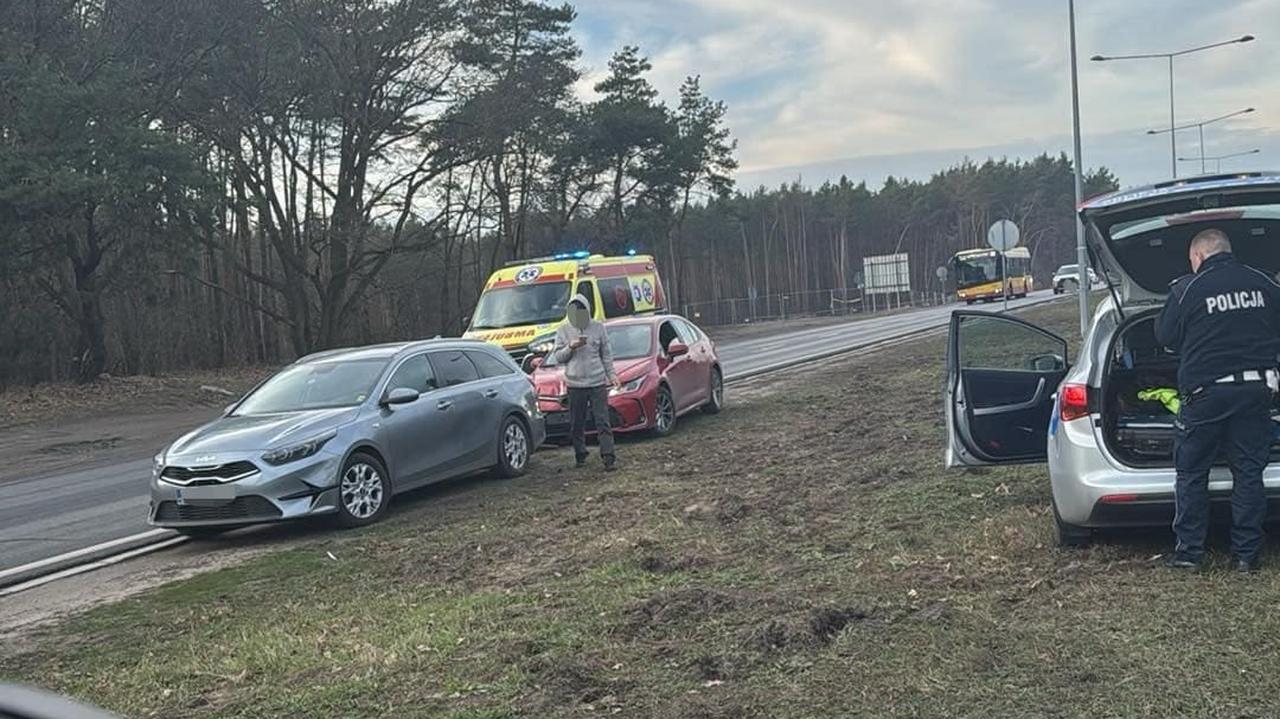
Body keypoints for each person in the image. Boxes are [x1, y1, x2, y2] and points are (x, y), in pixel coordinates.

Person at [1155, 228, 1280, 572]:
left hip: (1206, 395)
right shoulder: (1265, 283)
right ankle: (1245, 556)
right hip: (1255, 392)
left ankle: (1189, 554)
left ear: (1198, 257)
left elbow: (1165, 337)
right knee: (1248, 473)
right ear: (1228, 250)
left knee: (1192, 473)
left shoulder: (1187, 289)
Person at [553, 294, 620, 471]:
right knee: (577, 422)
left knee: (602, 420)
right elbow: (558, 357)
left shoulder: (598, 327)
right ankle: (580, 454)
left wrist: (611, 374)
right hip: (575, 384)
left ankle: (608, 456)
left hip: (597, 382)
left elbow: (606, 353)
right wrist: (571, 346)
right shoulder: (563, 330)